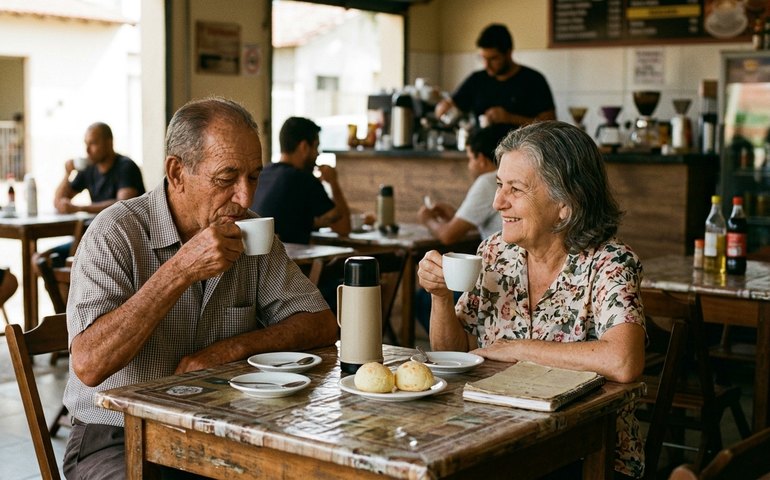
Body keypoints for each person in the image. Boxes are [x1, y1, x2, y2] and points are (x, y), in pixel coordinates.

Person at [62, 98, 339, 480]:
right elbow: (89, 365)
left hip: (220, 425)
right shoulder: (115, 233)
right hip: (115, 432)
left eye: (254, 177)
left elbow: (321, 324)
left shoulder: (251, 231)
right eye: (227, 179)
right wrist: (179, 271)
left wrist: (230, 350)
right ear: (177, 172)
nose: (245, 198)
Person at [417, 121, 646, 479]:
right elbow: (454, 352)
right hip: (498, 434)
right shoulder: (495, 252)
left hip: (587, 452)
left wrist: (517, 349)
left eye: (516, 189)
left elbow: (624, 360)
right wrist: (441, 297)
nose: (497, 202)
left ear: (565, 204)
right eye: (498, 184)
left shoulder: (609, 262)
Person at [51, 122, 146, 264]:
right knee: (42, 261)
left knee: (68, 261)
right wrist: (67, 173)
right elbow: (59, 199)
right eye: (86, 144)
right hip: (94, 237)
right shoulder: (88, 169)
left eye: (93, 143)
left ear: (109, 143)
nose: (88, 150)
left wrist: (78, 208)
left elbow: (122, 204)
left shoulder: (126, 167)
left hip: (123, 241)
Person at [434, 24, 556, 130]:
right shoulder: (477, 80)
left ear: (508, 53)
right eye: (483, 58)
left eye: (493, 59)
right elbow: (452, 103)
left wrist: (509, 118)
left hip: (521, 153)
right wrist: (442, 106)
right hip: (480, 154)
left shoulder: (533, 80)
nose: (486, 65)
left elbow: (550, 124)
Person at [251, 116, 351, 244]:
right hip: (289, 261)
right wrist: (333, 182)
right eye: (316, 147)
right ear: (304, 147)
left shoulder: (264, 173)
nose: (317, 154)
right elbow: (344, 228)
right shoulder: (303, 178)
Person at [418, 123, 510, 244]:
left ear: (481, 159)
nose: (469, 166)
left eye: (470, 158)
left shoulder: (488, 181)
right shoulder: (509, 178)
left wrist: (427, 219)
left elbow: (448, 235)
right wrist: (457, 215)